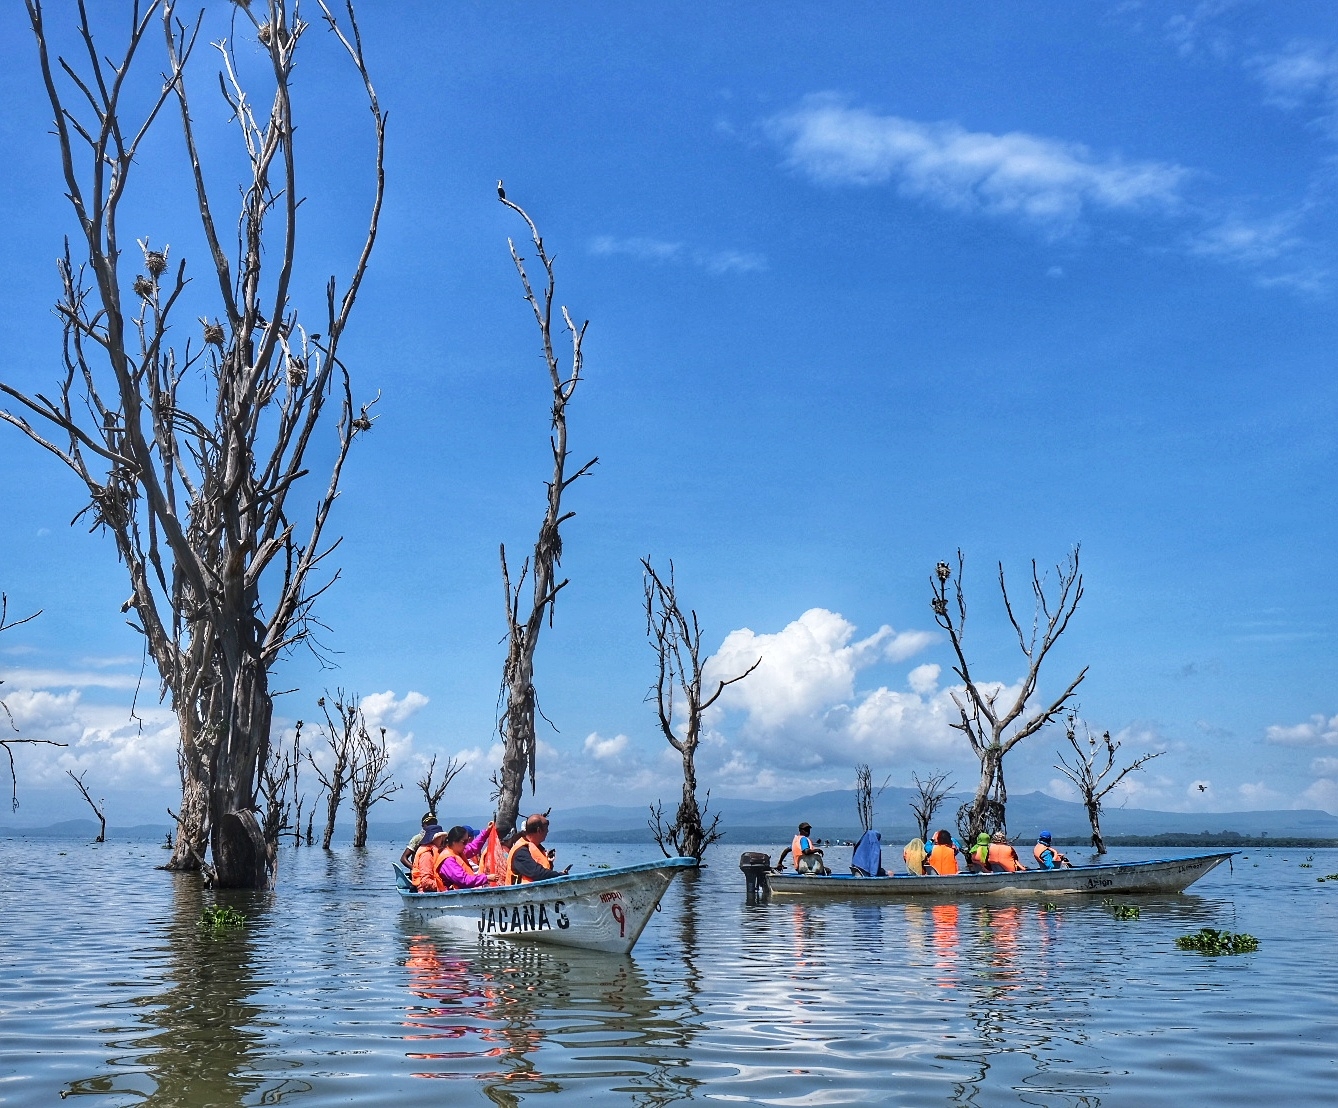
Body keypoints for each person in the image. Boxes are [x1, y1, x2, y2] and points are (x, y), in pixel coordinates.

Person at [504, 813, 571, 884]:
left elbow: (543, 872)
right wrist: (560, 875)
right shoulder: (520, 851)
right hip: (521, 893)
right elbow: (537, 873)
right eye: (546, 829)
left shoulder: (537, 847)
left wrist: (550, 863)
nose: (548, 831)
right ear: (539, 830)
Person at [438, 825, 493, 889]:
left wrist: (486, 832)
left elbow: (473, 847)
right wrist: (486, 878)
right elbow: (463, 880)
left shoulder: (457, 851)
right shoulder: (448, 860)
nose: (466, 844)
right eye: (464, 842)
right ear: (454, 842)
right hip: (451, 897)